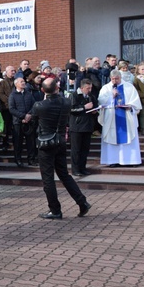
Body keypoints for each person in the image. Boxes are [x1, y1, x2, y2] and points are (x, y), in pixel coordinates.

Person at [30, 79, 92, 219]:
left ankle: (55, 210)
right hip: (60, 141)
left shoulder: (40, 105)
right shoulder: (66, 102)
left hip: (46, 143)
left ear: (43, 91)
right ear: (57, 88)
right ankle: (82, 202)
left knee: (48, 178)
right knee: (64, 174)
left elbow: (32, 122)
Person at [97, 69, 142, 166]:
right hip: (111, 116)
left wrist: (130, 106)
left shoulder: (129, 87)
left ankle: (131, 161)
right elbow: (101, 101)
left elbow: (136, 102)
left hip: (127, 116)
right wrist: (111, 96)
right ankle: (113, 161)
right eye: (113, 79)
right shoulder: (106, 88)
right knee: (111, 137)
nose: (114, 81)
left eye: (116, 79)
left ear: (120, 77)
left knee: (129, 136)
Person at [69, 78, 99, 176]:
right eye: (87, 88)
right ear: (82, 88)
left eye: (90, 88)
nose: (89, 90)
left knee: (85, 149)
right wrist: (84, 107)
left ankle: (83, 167)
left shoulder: (91, 96)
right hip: (77, 126)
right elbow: (71, 109)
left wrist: (95, 111)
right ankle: (75, 169)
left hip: (88, 125)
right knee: (76, 149)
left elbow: (95, 107)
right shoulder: (74, 95)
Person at [8, 77, 37, 167]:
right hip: (18, 122)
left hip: (29, 122)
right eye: (21, 82)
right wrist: (23, 116)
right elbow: (11, 109)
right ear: (16, 84)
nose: (23, 83)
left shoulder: (29, 94)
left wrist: (29, 115)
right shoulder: (12, 95)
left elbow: (34, 105)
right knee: (18, 142)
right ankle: (18, 160)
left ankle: (31, 160)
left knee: (31, 142)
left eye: (24, 81)